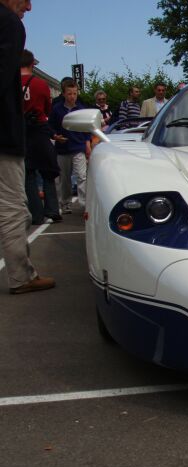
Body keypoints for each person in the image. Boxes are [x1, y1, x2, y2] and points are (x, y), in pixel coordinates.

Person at [0, 0, 55, 295]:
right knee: (13, 209)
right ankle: (21, 276)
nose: (30, 7)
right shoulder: (8, 23)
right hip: (4, 138)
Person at [20, 49, 61, 224]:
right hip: (39, 130)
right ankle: (52, 209)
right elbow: (47, 110)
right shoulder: (40, 84)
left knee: (28, 175)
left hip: (20, 132)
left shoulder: (8, 83)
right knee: (48, 172)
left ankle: (36, 213)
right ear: (32, 64)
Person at [48, 79, 91, 214]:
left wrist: (88, 144)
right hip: (63, 148)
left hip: (78, 146)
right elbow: (50, 126)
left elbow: (87, 128)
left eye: (74, 93)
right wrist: (55, 136)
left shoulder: (81, 109)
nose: (72, 96)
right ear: (64, 94)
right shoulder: (57, 109)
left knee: (81, 176)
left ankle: (84, 203)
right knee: (65, 178)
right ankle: (66, 203)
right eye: (69, 94)